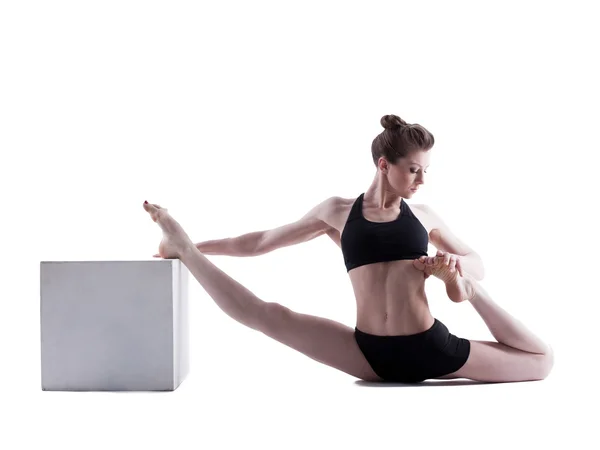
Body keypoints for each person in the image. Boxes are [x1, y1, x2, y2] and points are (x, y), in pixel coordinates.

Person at [143, 114, 554, 384]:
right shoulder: (336, 213)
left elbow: (477, 262)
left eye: (425, 170)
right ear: (383, 165)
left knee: (541, 361)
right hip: (367, 354)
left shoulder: (425, 215)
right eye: (413, 169)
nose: (421, 180)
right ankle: (184, 249)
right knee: (266, 315)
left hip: (431, 348)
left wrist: (455, 269)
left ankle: (467, 294)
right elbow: (260, 242)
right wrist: (195, 246)